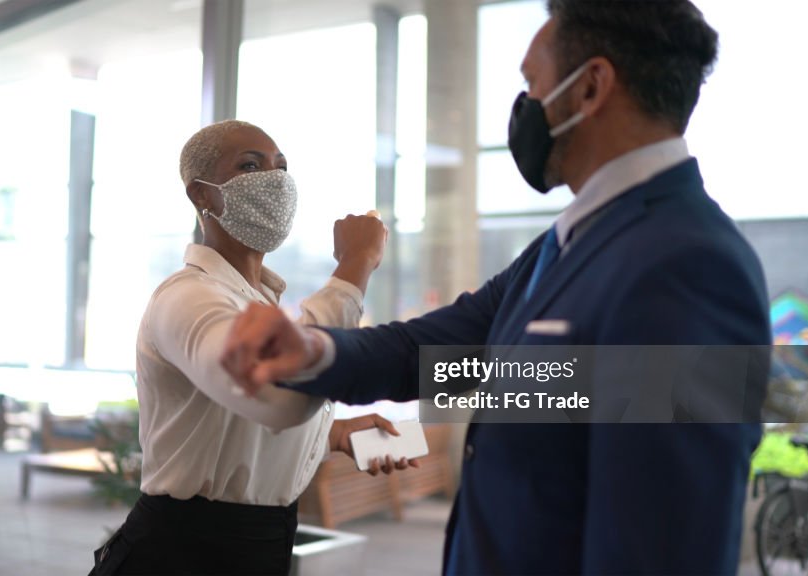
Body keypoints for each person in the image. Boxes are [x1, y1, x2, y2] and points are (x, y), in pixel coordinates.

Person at [221, 1, 770, 574]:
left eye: (532, 82)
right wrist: (312, 349)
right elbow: (438, 353)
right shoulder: (566, 244)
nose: (524, 106)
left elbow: (664, 548)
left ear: (590, 89)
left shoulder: (688, 266)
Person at [89, 120, 417, 576]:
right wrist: (355, 264)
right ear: (201, 195)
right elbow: (279, 396)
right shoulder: (188, 296)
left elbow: (232, 426)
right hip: (182, 553)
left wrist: (334, 436)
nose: (275, 179)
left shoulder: (256, 302)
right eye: (250, 165)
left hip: (256, 545)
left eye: (281, 167)